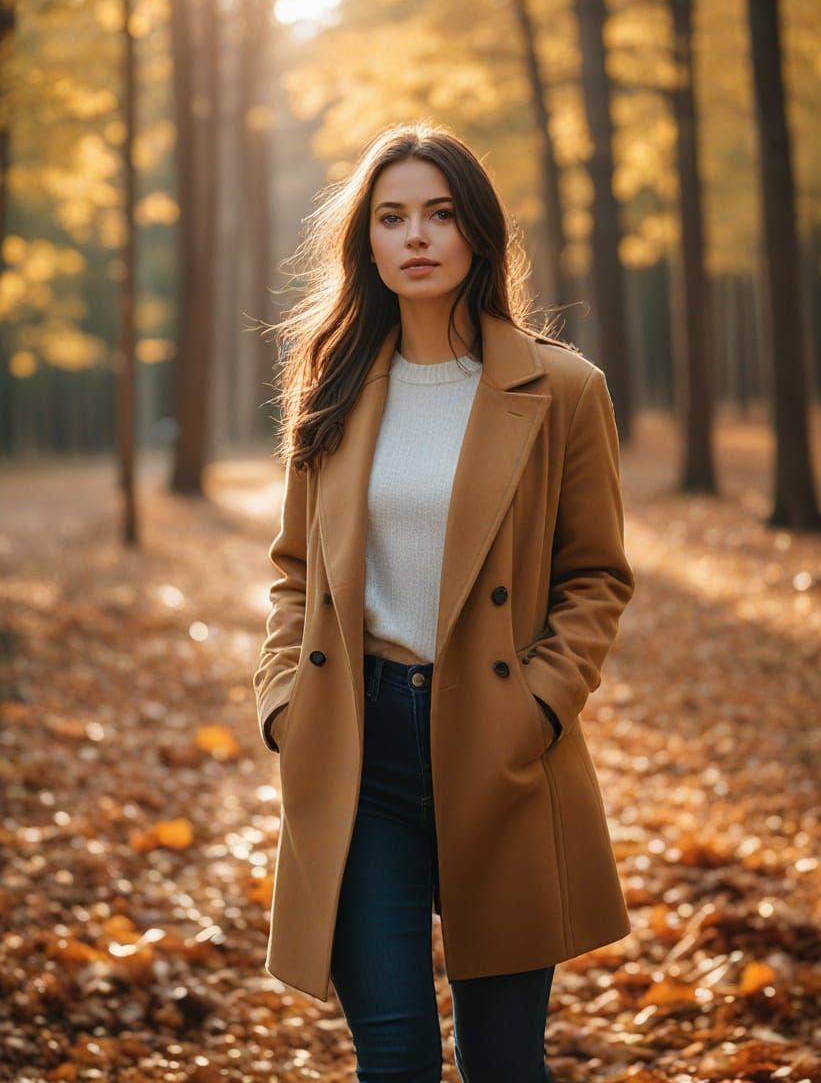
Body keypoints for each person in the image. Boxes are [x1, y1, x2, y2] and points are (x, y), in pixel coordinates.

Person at [253, 120, 636, 1083]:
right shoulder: (332, 386)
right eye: (391, 217)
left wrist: (539, 704)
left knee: (504, 1062)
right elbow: (297, 569)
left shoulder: (561, 389)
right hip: (356, 741)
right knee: (392, 1055)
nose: (415, 236)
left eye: (439, 213)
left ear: (478, 235)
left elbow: (596, 574)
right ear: (367, 243)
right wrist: (282, 705)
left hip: (500, 744)